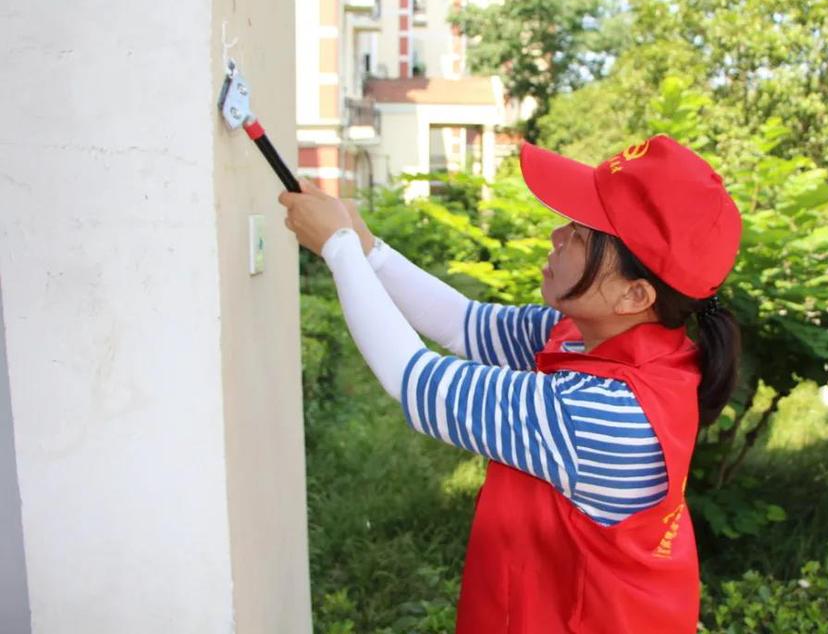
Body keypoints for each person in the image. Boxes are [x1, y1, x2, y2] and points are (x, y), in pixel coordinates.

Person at [279, 134, 742, 633]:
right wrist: (367, 247)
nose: (557, 235)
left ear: (634, 295)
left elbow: (412, 378)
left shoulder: (609, 415)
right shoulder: (596, 338)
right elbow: (463, 323)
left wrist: (338, 249)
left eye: (581, 235)